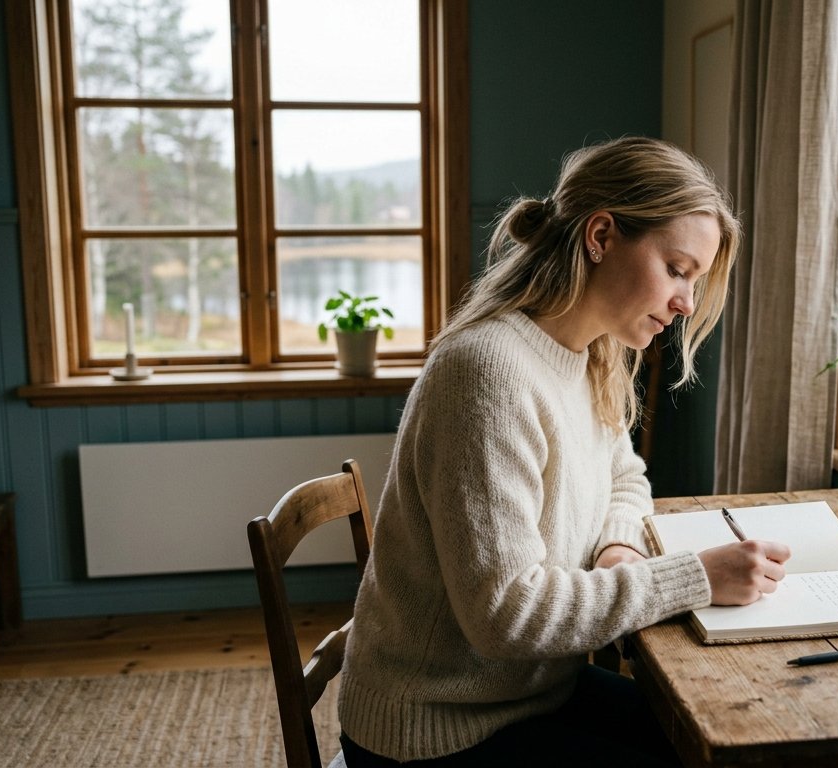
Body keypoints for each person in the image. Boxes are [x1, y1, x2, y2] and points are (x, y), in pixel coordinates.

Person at [337, 136, 791, 766]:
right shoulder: (487, 371)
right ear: (601, 236)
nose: (686, 302)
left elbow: (625, 476)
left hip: (531, 693)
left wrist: (616, 546)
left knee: (731, 738)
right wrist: (693, 578)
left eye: (696, 281)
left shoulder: (590, 352)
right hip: (437, 729)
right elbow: (506, 615)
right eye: (678, 270)